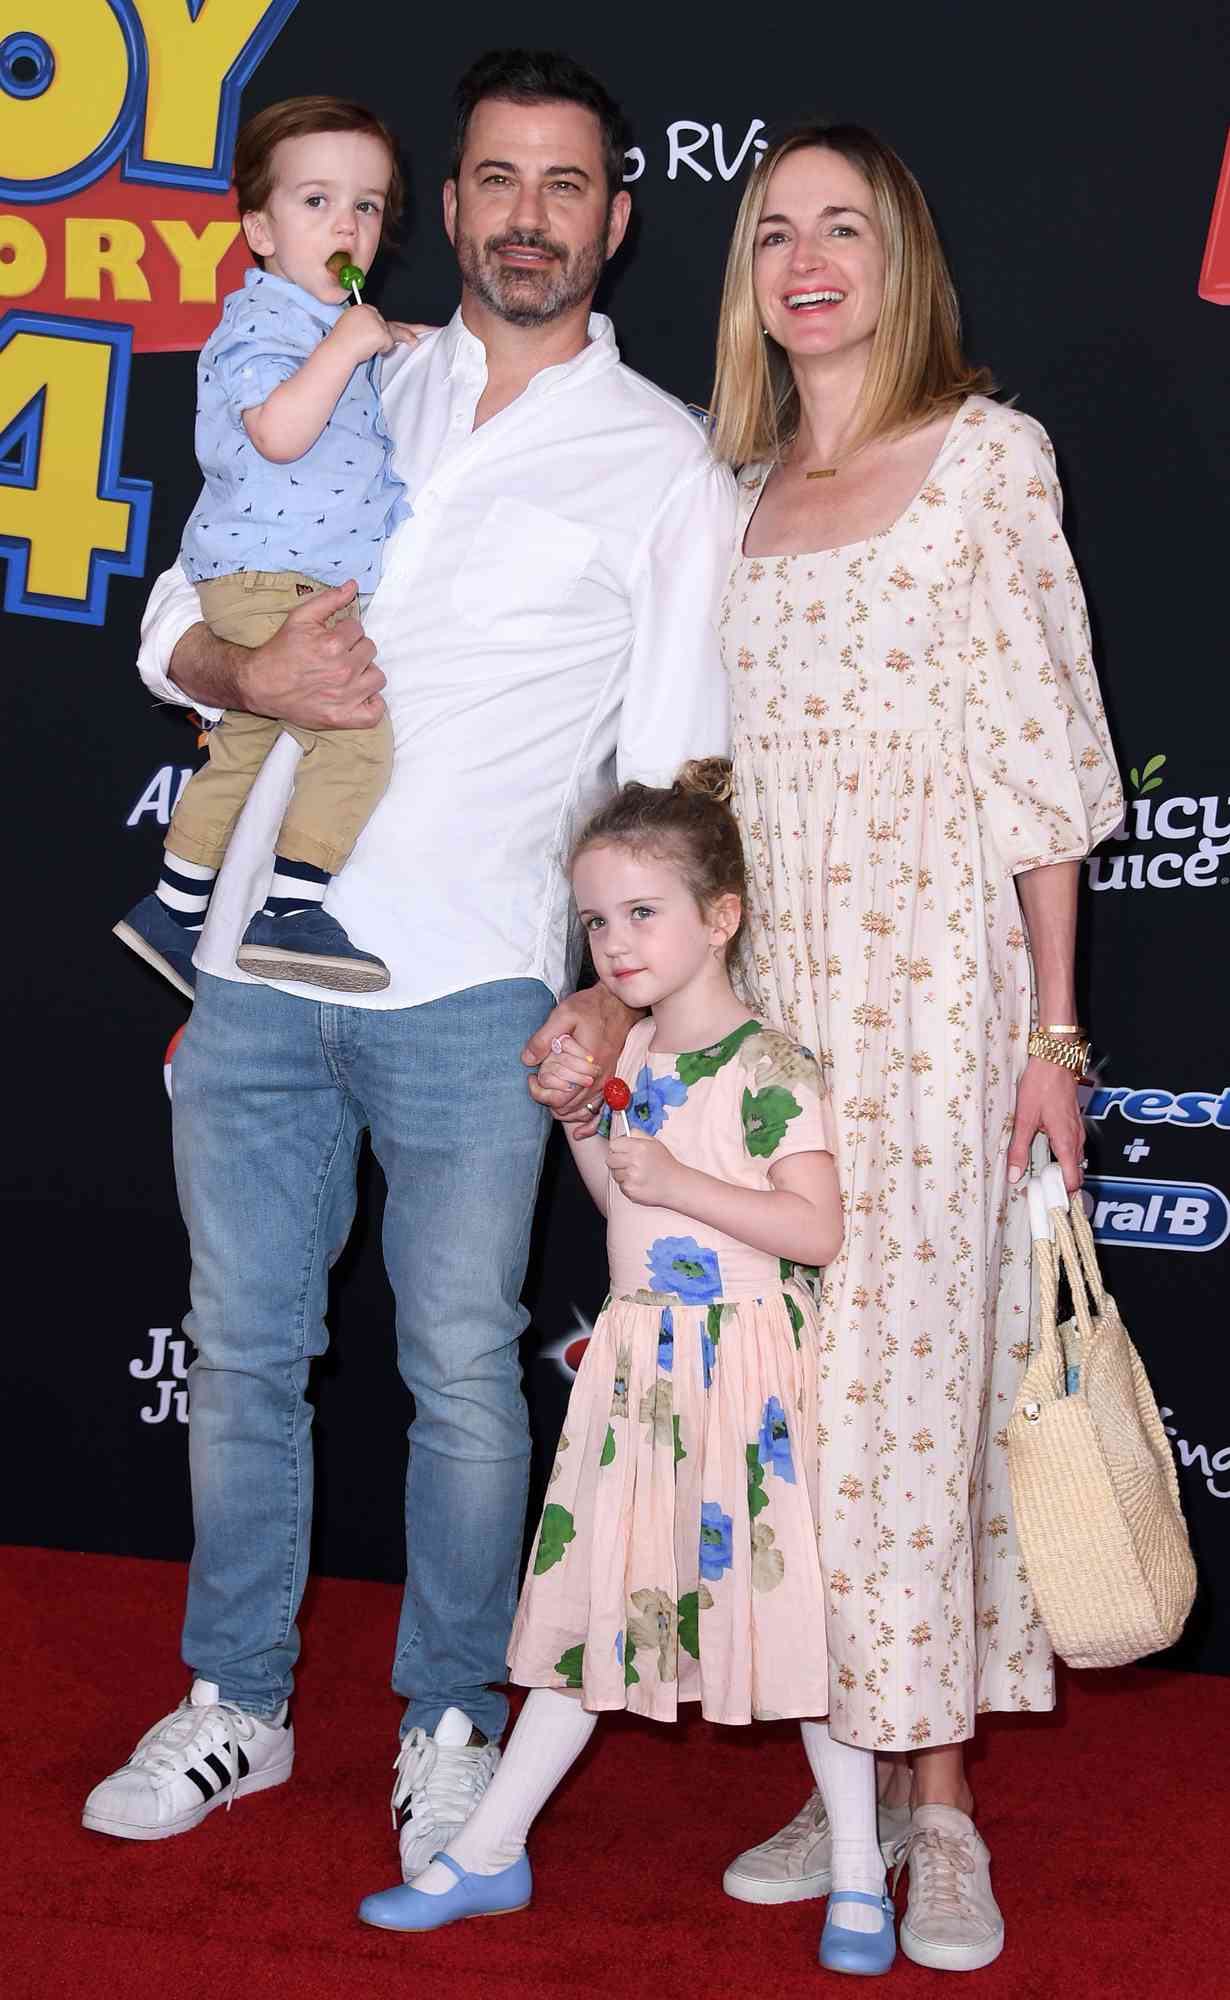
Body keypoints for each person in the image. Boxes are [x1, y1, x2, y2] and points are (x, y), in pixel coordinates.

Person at [82, 50, 735, 1880]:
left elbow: (678, 763)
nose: (526, 217)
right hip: (254, 971)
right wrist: (242, 676)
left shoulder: (662, 458)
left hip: (471, 989)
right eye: (494, 182)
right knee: (242, 1355)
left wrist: (615, 988)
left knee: (462, 1370)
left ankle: (449, 1722)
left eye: (565, 186)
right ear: (446, 207)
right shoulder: (336, 361)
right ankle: (239, 1703)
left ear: (614, 217)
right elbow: (180, 605)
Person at [526, 123, 1123, 1973]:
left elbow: (1042, 769)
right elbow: (700, 801)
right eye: (773, 230)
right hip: (769, 1025)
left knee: (911, 1410)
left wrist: (1054, 1030)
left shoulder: (987, 463)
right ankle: (849, 1774)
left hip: (937, 1007)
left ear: (901, 258)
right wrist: (632, 991)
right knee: (795, 1413)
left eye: (841, 228)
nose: (804, 260)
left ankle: (943, 1824)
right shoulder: (740, 490)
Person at [357, 768, 896, 1976]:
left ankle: (860, 1872)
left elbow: (813, 1229)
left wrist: (679, 1178)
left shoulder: (772, 1065)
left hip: (750, 1374)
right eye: (597, 920)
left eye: (643, 911)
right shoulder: (636, 1054)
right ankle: (491, 1847)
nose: (615, 941)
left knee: (798, 1622)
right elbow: (622, 1209)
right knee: (593, 1609)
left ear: (722, 916)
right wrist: (592, 1130)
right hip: (642, 1366)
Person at [115, 97, 413, 998]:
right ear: (259, 228)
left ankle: (174, 905)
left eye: (367, 206)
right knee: (355, 741)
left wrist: (390, 341)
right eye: (316, 201)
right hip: (275, 581)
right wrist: (350, 346)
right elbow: (279, 431)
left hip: (268, 576)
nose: (346, 225)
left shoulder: (327, 325)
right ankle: (290, 908)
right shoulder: (262, 324)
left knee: (242, 749)